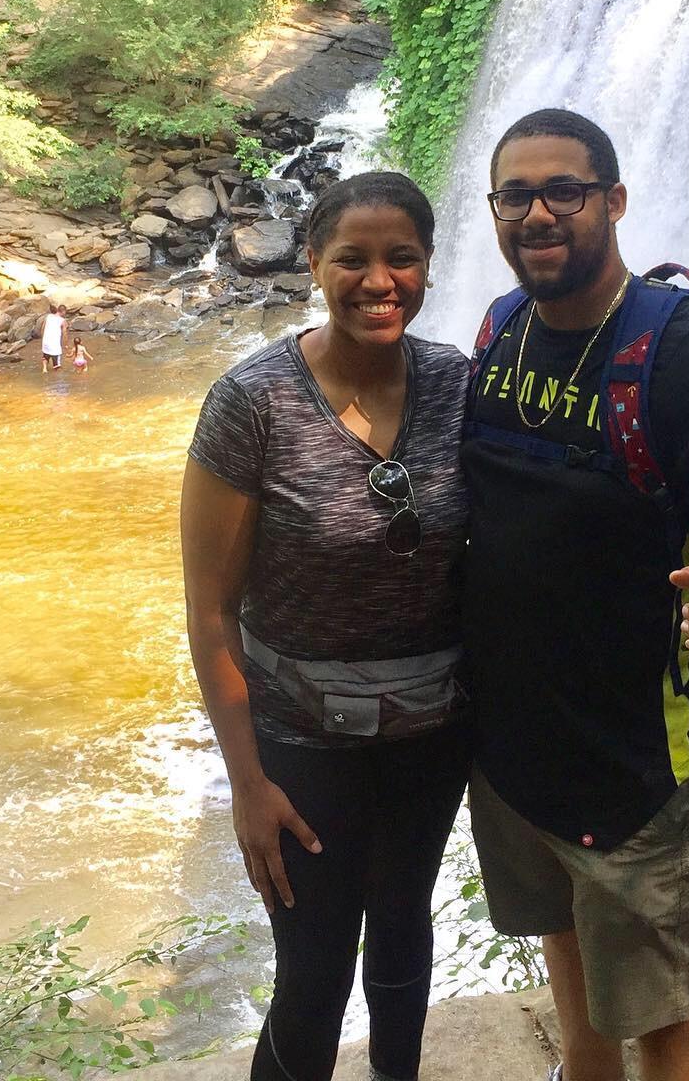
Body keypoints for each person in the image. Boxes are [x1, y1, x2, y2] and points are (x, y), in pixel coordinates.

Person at [462, 109, 689, 1081]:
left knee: (672, 1029)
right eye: (516, 195)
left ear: (612, 201)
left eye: (563, 191)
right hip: (514, 756)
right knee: (569, 960)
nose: (538, 214)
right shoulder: (502, 329)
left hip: (640, 774)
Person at [181, 172, 470, 1081]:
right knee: (313, 971)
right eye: (353, 259)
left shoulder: (459, 385)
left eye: (401, 258)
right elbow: (211, 610)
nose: (378, 281)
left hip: (432, 733)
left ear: (428, 265)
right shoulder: (253, 403)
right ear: (313, 263)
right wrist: (246, 784)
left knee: (404, 930)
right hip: (301, 742)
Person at [41, 305, 67, 374]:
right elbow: (64, 333)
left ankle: (44, 369)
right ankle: (57, 375)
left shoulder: (48, 316)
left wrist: (43, 338)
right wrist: (65, 344)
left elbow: (42, 328)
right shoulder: (62, 320)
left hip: (46, 341)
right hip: (54, 343)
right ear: (63, 311)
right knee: (57, 362)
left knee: (45, 355)